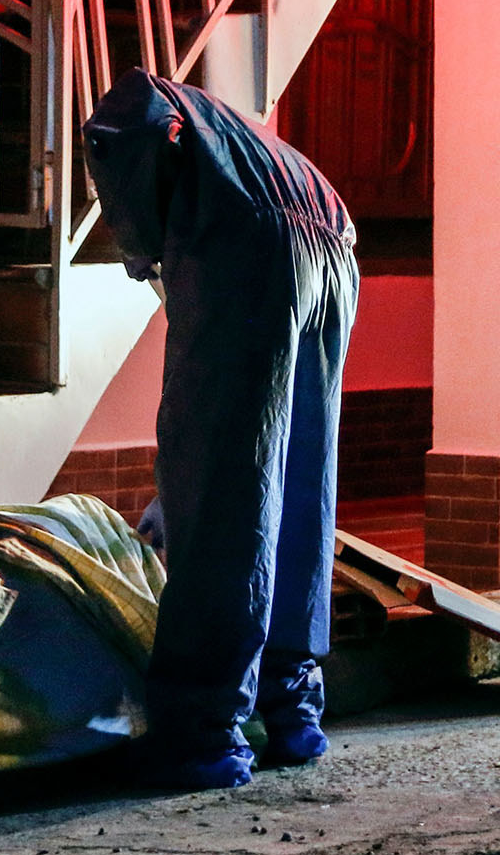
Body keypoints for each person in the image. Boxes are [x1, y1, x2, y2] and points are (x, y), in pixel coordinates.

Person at [84, 67, 361, 787]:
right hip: (334, 248)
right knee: (301, 479)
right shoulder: (228, 136)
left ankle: (204, 735)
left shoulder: (145, 126)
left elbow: (130, 143)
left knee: (221, 486)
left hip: (255, 246)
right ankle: (295, 715)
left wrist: (143, 245)